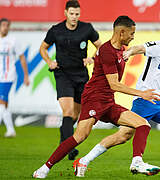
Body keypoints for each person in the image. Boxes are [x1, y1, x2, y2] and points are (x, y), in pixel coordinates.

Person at [32, 15, 160, 179]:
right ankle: (44, 168)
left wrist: (135, 51)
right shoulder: (107, 51)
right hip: (94, 99)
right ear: (121, 32)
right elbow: (114, 84)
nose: (133, 36)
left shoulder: (120, 50)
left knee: (142, 124)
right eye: (131, 33)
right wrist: (142, 93)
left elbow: (126, 55)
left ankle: (137, 162)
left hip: (108, 101)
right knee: (80, 136)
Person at [73, 17, 160, 177]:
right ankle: (87, 161)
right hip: (145, 101)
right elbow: (139, 48)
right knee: (123, 136)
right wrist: (128, 52)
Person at [39, 0, 102, 160]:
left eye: (77, 14)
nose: (74, 17)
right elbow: (43, 48)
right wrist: (49, 62)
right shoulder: (56, 30)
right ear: (66, 13)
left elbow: (100, 46)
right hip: (63, 74)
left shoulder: (86, 28)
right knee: (67, 112)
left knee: (75, 116)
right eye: (72, 14)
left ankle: (63, 143)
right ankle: (69, 148)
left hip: (81, 76)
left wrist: (91, 58)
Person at [0, 18, 29, 138]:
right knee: (4, 104)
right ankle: (11, 130)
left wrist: (26, 76)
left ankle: (10, 130)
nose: (5, 27)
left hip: (8, 76)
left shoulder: (13, 41)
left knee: (1, 102)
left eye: (7, 25)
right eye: (3, 25)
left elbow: (22, 58)